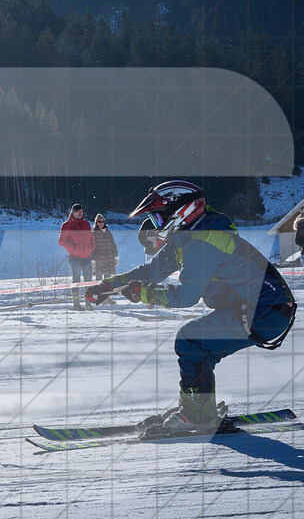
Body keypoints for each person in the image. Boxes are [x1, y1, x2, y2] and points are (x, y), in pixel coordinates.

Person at [86, 180, 297, 434]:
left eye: (158, 219)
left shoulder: (203, 240)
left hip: (265, 310)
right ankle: (198, 409)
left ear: (180, 212)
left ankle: (196, 414)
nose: (157, 227)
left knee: (190, 339)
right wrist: (107, 286)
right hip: (261, 308)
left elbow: (186, 296)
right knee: (199, 348)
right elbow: (151, 270)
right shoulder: (190, 237)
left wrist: (144, 293)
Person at [59, 203, 95, 311]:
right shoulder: (67, 225)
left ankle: (88, 303)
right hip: (74, 257)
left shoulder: (86, 224)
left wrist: (92, 247)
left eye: (81, 211)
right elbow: (61, 241)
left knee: (88, 280)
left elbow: (92, 238)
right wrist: (72, 248)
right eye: (77, 212)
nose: (80, 213)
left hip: (87, 256)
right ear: (72, 212)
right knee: (76, 280)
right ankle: (76, 304)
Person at [91, 214, 119, 306]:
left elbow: (113, 245)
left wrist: (116, 256)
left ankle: (108, 298)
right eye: (99, 221)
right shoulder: (93, 233)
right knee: (99, 281)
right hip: (99, 261)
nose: (101, 223)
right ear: (96, 222)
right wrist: (93, 261)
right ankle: (100, 298)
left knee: (107, 281)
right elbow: (92, 248)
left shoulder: (108, 232)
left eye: (103, 221)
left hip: (108, 260)